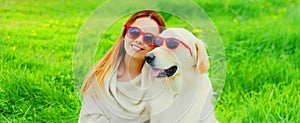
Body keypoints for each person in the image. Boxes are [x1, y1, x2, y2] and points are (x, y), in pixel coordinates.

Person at [78, 10, 166, 123]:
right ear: (125, 34)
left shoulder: (160, 82)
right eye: (134, 32)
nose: (139, 40)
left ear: (156, 46)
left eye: (149, 38)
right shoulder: (100, 75)